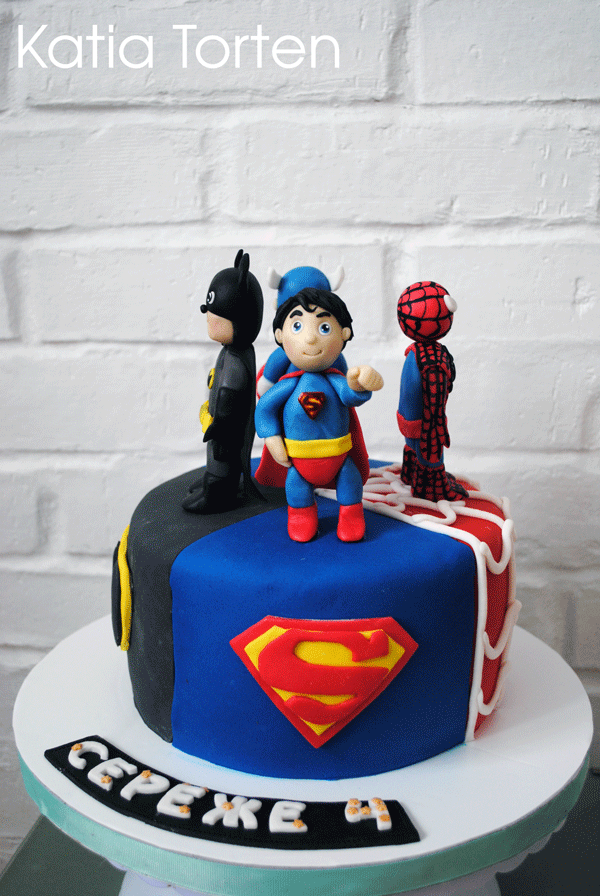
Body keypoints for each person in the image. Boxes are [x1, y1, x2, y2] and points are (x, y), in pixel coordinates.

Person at [255, 287, 383, 542]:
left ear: (344, 333)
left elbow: (350, 396)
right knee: (297, 487)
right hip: (299, 460)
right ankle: (301, 515)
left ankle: (351, 513)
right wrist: (271, 437)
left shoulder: (336, 381)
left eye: (324, 328)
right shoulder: (288, 385)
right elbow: (265, 408)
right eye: (298, 327)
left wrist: (360, 384)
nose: (311, 338)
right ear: (280, 335)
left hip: (339, 457)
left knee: (349, 482)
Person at [183, 250, 263, 514]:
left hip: (226, 430)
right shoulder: (233, 353)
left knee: (222, 459)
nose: (208, 316)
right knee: (215, 457)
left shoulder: (236, 361)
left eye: (216, 313)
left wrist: (221, 423)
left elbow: (230, 393)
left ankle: (218, 491)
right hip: (219, 424)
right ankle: (213, 479)